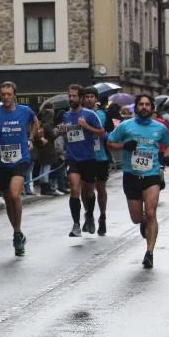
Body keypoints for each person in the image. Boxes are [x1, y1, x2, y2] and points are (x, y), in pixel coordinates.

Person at [106, 94, 169, 269]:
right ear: (136, 107)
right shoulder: (125, 126)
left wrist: (166, 156)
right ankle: (143, 222)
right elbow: (110, 143)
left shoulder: (160, 128)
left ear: (152, 108)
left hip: (152, 175)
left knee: (151, 213)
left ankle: (149, 252)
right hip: (131, 175)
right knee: (136, 218)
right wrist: (124, 146)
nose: (144, 107)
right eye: (141, 104)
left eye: (147, 104)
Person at [0, 81, 42, 256]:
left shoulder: (25, 111)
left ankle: (16, 232)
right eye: (3, 95)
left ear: (15, 95)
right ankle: (17, 232)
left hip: (21, 159)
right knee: (8, 199)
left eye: (9, 94)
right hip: (1, 162)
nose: (6, 97)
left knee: (15, 195)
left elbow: (35, 121)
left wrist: (31, 138)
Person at [59, 85, 104, 237]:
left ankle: (89, 215)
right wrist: (63, 132)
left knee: (89, 191)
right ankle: (76, 225)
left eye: (74, 96)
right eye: (70, 96)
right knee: (74, 188)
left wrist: (86, 126)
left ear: (81, 98)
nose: (71, 99)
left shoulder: (90, 115)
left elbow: (101, 132)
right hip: (72, 158)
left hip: (88, 158)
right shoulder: (66, 116)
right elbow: (67, 137)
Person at [82, 88, 111, 234]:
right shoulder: (78, 114)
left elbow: (109, 133)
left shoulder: (103, 114)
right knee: (85, 189)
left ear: (96, 99)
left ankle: (103, 216)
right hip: (84, 157)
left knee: (100, 188)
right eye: (86, 96)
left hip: (101, 157)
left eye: (91, 96)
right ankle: (89, 215)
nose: (89, 99)